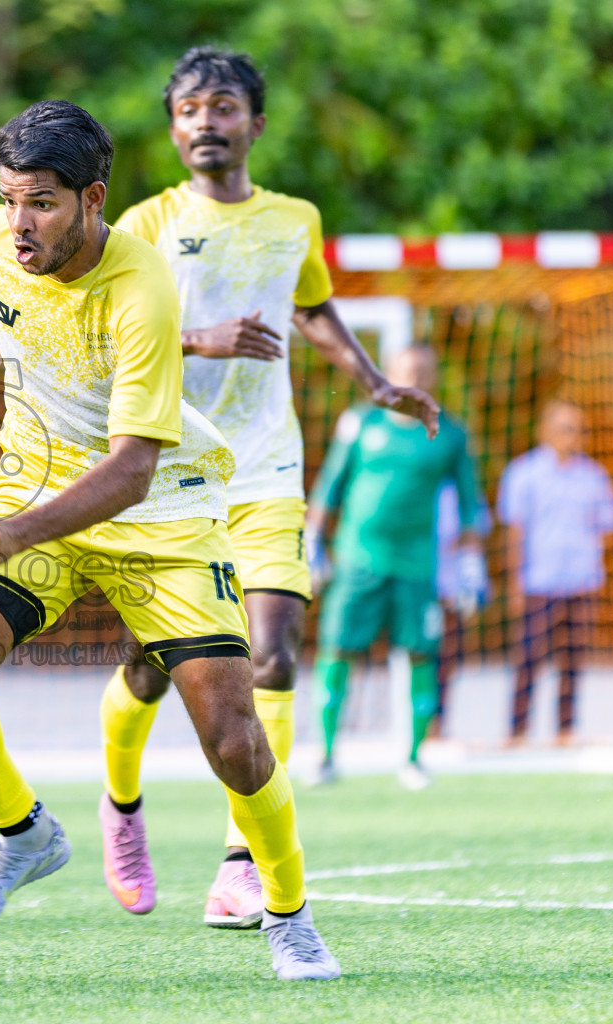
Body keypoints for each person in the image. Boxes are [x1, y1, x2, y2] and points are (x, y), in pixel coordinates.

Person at [0, 99, 340, 980]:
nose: (18, 222)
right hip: (33, 493)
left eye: (40, 202)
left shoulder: (144, 285)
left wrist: (15, 532)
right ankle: (24, 836)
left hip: (164, 516)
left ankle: (290, 914)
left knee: (234, 733)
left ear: (92, 199)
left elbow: (132, 473)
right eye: (8, 199)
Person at [94, 46, 439, 930]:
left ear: (255, 122)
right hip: (168, 473)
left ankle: (240, 864)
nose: (205, 123)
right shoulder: (144, 226)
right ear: (173, 130)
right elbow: (106, 346)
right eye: (189, 111)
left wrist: (375, 383)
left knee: (272, 654)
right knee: (151, 665)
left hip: (265, 466)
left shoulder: (296, 220)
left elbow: (313, 307)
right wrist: (197, 341)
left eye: (222, 107)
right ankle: (122, 807)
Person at [308, 346, 482, 790]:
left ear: (435, 376)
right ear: (390, 375)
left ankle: (413, 758)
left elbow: (470, 505)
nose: (416, 378)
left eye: (424, 371)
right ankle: (326, 755)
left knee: (421, 653)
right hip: (357, 562)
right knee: (338, 650)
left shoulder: (449, 434)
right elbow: (331, 484)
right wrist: (312, 544)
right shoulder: (361, 422)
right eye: (408, 371)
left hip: (417, 567)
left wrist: (472, 563)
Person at [497, 399, 613, 745]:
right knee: (529, 657)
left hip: (581, 581)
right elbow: (514, 531)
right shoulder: (525, 472)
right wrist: (515, 582)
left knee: (574, 657)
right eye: (566, 427)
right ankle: (518, 729)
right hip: (540, 580)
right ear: (546, 431)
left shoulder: (593, 475)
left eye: (578, 428)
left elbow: (608, 526)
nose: (573, 435)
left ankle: (566, 728)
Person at [430, 483, 490, 738]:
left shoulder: (465, 490)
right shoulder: (413, 480)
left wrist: (474, 582)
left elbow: (476, 537)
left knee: (446, 660)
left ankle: (437, 725)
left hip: (450, 590)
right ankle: (411, 722)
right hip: (415, 586)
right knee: (416, 656)